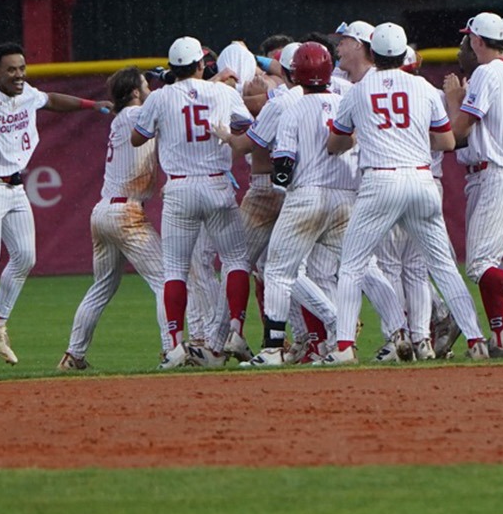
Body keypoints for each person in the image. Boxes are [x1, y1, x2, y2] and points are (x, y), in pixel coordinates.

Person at [0, 41, 110, 365]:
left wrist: (91, 104)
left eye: (22, 68)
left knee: (25, 257)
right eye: (11, 69)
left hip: (14, 186)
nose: (18, 75)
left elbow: (51, 100)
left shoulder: (25, 93)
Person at [325, 23, 489, 364]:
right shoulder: (424, 88)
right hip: (420, 178)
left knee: (352, 266)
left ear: (371, 53)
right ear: (403, 54)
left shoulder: (357, 90)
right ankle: (476, 341)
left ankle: (343, 347)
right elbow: (446, 142)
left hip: (380, 181)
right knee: (443, 266)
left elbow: (335, 143)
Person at [130, 37, 255, 367]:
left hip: (181, 187)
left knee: (175, 270)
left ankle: (174, 347)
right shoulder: (225, 93)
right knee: (236, 261)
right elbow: (248, 130)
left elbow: (137, 137)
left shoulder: (159, 97)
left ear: (172, 68)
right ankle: (236, 331)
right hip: (216, 183)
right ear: (201, 64)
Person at [254, 42, 357, 366]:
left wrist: (280, 188)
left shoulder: (292, 107)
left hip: (308, 195)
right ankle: (340, 332)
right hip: (345, 196)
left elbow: (283, 163)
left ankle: (272, 348)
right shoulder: (344, 102)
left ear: (294, 72)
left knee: (278, 271)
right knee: (346, 271)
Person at [444, 12, 503, 353]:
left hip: (498, 174)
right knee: (489, 261)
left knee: (479, 265)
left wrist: (454, 101)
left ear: (477, 40)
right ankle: (501, 337)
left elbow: (459, 132)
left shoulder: (486, 72)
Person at [60, 66, 165, 371]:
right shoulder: (134, 116)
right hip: (126, 213)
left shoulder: (121, 119)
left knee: (102, 287)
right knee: (164, 281)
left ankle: (73, 355)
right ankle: (172, 349)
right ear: (134, 92)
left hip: (104, 211)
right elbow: (169, 104)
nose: (148, 89)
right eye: (144, 85)